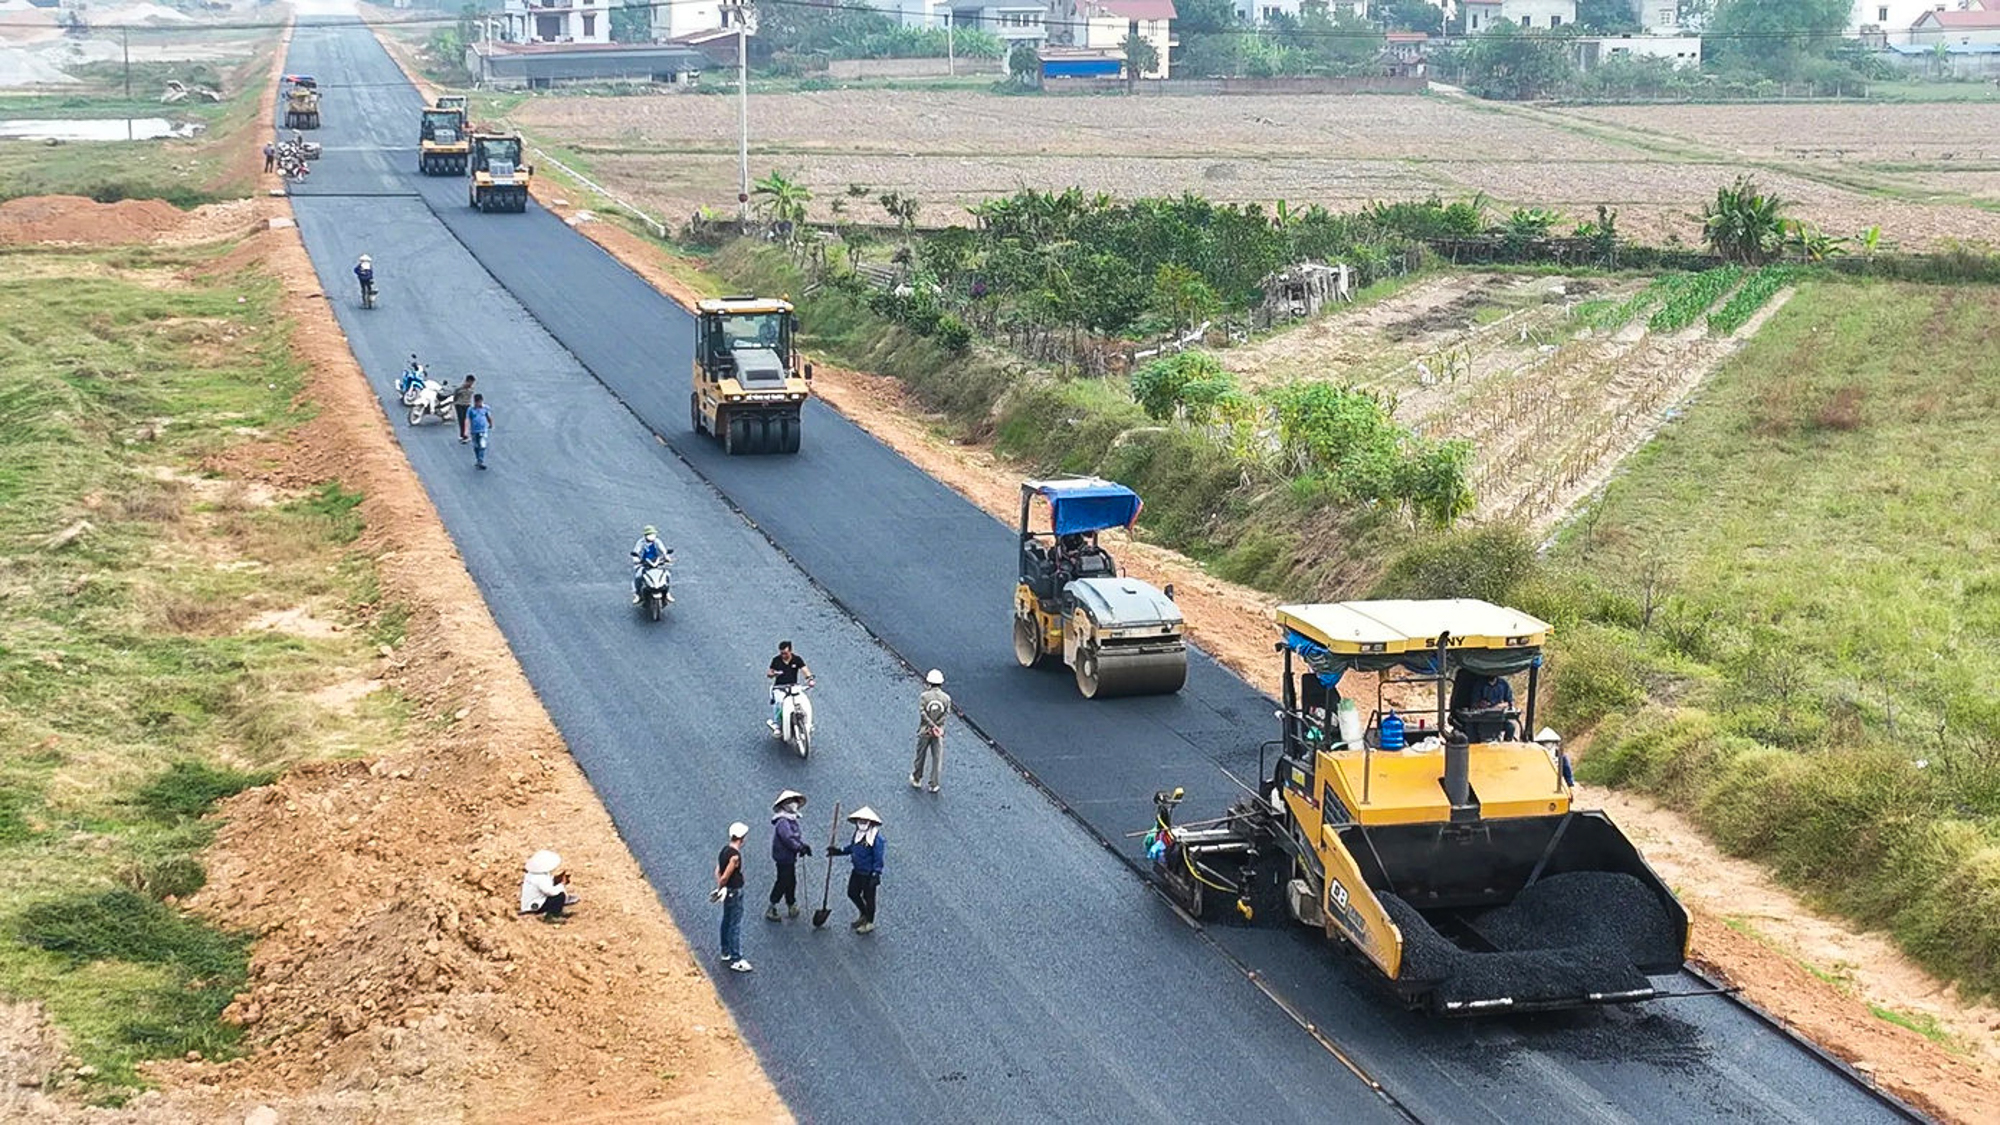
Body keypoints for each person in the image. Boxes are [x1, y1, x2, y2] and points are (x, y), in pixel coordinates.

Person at [826, 807, 884, 933]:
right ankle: (863, 913)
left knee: (869, 898)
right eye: (860, 820)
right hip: (857, 871)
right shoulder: (858, 834)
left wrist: (876, 873)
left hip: (868, 873)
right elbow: (852, 848)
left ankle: (869, 922)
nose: (862, 823)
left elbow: (878, 857)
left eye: (865, 820)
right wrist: (838, 851)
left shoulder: (876, 838)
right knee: (852, 893)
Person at [766, 790, 811, 921]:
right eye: (790, 802)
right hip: (783, 857)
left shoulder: (791, 819)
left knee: (791, 881)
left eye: (795, 801)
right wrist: (799, 847)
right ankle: (771, 907)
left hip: (789, 857)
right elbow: (788, 839)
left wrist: (803, 845)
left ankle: (791, 904)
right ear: (784, 805)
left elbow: (795, 837)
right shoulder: (783, 822)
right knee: (783, 881)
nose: (794, 804)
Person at [714, 823, 752, 972]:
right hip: (735, 891)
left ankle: (725, 951)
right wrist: (721, 887)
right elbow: (725, 876)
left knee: (726, 920)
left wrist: (721, 888)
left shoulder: (724, 851)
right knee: (735, 924)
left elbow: (718, 870)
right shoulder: (735, 856)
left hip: (728, 891)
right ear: (742, 838)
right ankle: (736, 958)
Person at [910, 669, 949, 794]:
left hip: (925, 730)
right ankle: (934, 784)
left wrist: (931, 725)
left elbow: (923, 713)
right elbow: (946, 714)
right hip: (938, 732)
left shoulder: (924, 697)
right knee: (937, 758)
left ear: (929, 682)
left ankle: (917, 778)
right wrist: (937, 727)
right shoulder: (946, 698)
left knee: (920, 755)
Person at [1452, 670, 1518, 740]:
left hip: (1498, 718)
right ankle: (1474, 747)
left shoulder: (1503, 684)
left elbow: (1510, 702)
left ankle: (1505, 746)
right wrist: (1480, 704)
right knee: (1469, 728)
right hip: (1482, 718)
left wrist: (1500, 706)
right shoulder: (1480, 684)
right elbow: (1474, 703)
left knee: (1511, 727)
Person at [766, 640, 812, 737]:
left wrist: (809, 679)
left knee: (802, 702)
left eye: (785, 653)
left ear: (791, 651)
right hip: (780, 688)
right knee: (779, 703)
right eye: (782, 653)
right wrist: (773, 674)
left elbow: (805, 670)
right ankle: (777, 725)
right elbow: (770, 673)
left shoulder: (797, 659)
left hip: (793, 686)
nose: (783, 656)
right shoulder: (776, 660)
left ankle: (807, 723)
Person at [518, 849, 575, 922]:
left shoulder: (532, 874)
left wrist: (556, 879)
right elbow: (550, 892)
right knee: (560, 896)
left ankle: (557, 912)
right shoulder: (540, 877)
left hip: (529, 903)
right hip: (535, 905)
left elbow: (548, 882)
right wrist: (561, 885)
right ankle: (551, 916)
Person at [629, 525, 674, 605]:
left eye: (653, 535)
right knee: (638, 576)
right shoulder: (641, 542)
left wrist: (666, 557)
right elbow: (636, 552)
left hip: (657, 562)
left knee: (667, 575)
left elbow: (663, 550)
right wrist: (637, 560)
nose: (652, 536)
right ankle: (637, 594)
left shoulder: (657, 541)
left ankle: (667, 593)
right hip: (644, 563)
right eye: (650, 535)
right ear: (645, 536)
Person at [468, 393, 492, 470]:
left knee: (482, 445)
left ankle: (480, 461)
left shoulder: (486, 408)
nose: (478, 403)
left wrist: (490, 423)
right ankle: (478, 459)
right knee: (476, 446)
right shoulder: (471, 409)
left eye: (479, 402)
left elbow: (488, 416)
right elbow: (467, 419)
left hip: (483, 430)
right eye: (477, 402)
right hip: (474, 430)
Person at [453, 374, 477, 443]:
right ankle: (462, 435)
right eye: (470, 382)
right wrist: (456, 402)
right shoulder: (459, 389)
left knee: (466, 420)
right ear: (467, 381)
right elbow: (455, 396)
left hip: (467, 405)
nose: (471, 384)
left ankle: (465, 434)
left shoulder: (471, 389)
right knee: (461, 420)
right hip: (459, 405)